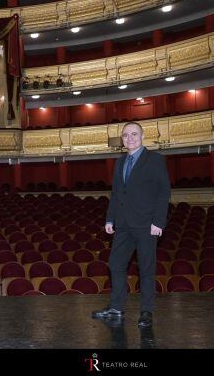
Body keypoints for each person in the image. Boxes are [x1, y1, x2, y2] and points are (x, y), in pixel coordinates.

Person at [92, 122, 170, 328]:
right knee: (115, 264)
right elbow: (117, 194)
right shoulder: (119, 162)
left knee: (146, 269)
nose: (130, 138)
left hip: (147, 224)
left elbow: (164, 192)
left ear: (142, 136)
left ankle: (146, 311)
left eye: (134, 134)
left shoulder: (155, 159)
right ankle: (116, 308)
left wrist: (158, 222)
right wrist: (110, 219)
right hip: (124, 224)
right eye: (126, 135)